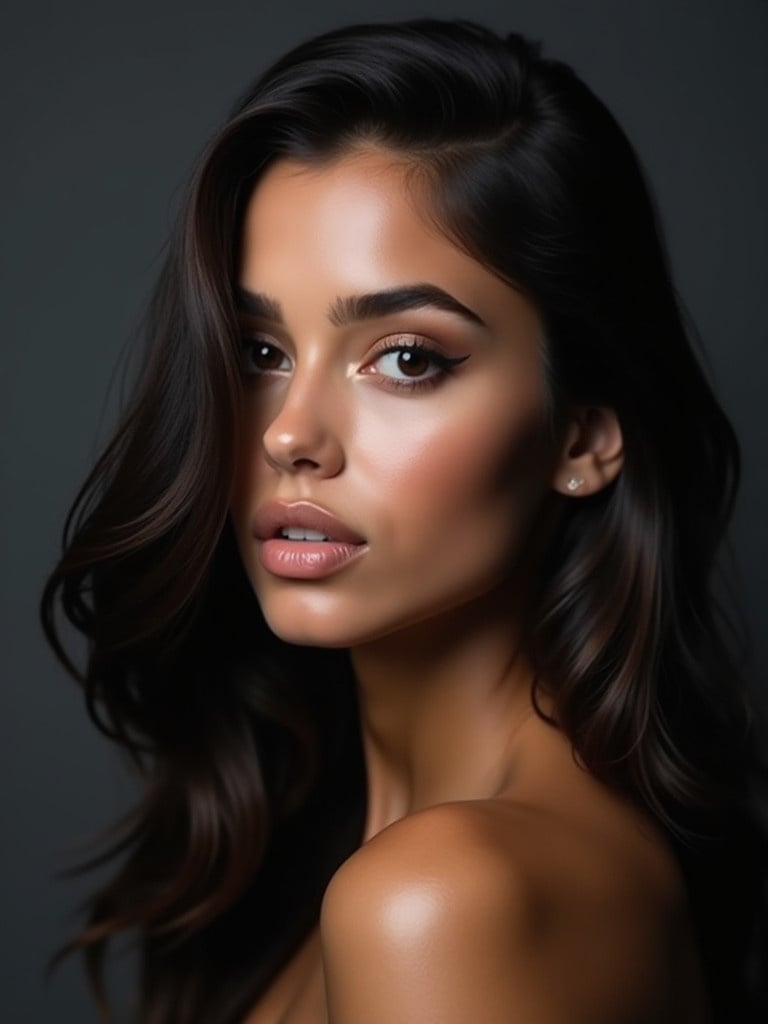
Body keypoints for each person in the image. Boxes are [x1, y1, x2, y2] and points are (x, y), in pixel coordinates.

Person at [42, 18, 767, 1024]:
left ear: (583, 438)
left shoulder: (444, 899)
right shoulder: (353, 855)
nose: (291, 434)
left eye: (407, 358)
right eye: (259, 352)